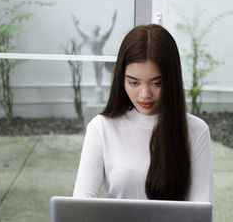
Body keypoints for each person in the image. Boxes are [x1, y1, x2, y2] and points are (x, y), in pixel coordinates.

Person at [73, 24, 213, 203]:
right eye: (134, 83)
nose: (145, 94)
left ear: (172, 80)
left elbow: (200, 210)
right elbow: (81, 204)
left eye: (156, 83)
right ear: (121, 79)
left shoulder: (196, 131)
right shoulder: (101, 127)